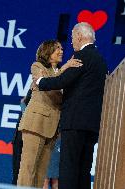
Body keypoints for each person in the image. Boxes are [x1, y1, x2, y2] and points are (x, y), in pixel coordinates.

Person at [35, 22, 108, 189]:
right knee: (83, 170)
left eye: (73, 37)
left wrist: (40, 81)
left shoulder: (81, 56)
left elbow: (62, 81)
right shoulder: (101, 61)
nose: (72, 42)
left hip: (75, 122)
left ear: (80, 36)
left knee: (68, 168)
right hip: (92, 125)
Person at [17, 39, 82, 188]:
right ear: (47, 52)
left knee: (41, 171)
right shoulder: (38, 66)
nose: (61, 51)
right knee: (28, 168)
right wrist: (65, 67)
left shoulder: (58, 73)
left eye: (61, 48)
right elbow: (49, 85)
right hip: (35, 124)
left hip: (52, 128)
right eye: (56, 49)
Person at [11, 89, 32, 185]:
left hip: (29, 140)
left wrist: (23, 104)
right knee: (17, 174)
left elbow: (30, 113)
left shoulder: (40, 88)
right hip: (19, 139)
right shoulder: (33, 88)